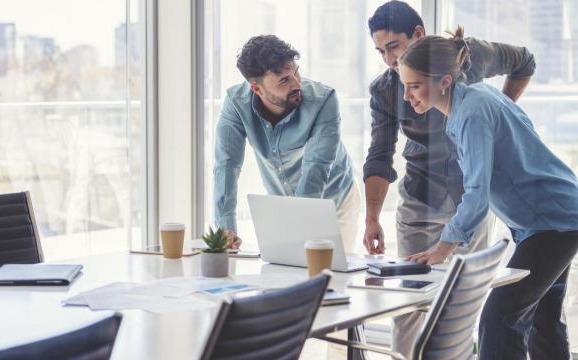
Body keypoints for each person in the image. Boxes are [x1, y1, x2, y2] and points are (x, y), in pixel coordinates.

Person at [363, 1, 535, 355]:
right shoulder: (384, 89)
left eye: (393, 46)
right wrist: (371, 218)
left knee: (465, 305)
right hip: (418, 199)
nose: (388, 59)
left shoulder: (468, 57)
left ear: (418, 35)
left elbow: (524, 61)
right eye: (380, 51)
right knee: (408, 306)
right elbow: (380, 156)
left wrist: (502, 109)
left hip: (470, 199)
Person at [399, 26, 578, 360]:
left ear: (444, 82)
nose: (408, 96)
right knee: (543, 316)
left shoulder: (471, 113)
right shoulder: (477, 97)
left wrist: (443, 248)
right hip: (552, 218)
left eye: (415, 86)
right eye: (405, 86)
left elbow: (477, 193)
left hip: (553, 223)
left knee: (500, 318)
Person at [214, 35, 360, 252]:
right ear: (256, 89)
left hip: (334, 199)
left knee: (328, 275)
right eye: (284, 80)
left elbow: (316, 166)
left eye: (296, 72)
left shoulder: (324, 99)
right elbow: (227, 165)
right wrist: (226, 229)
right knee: (284, 276)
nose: (297, 84)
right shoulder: (236, 103)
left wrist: (299, 227)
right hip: (283, 203)